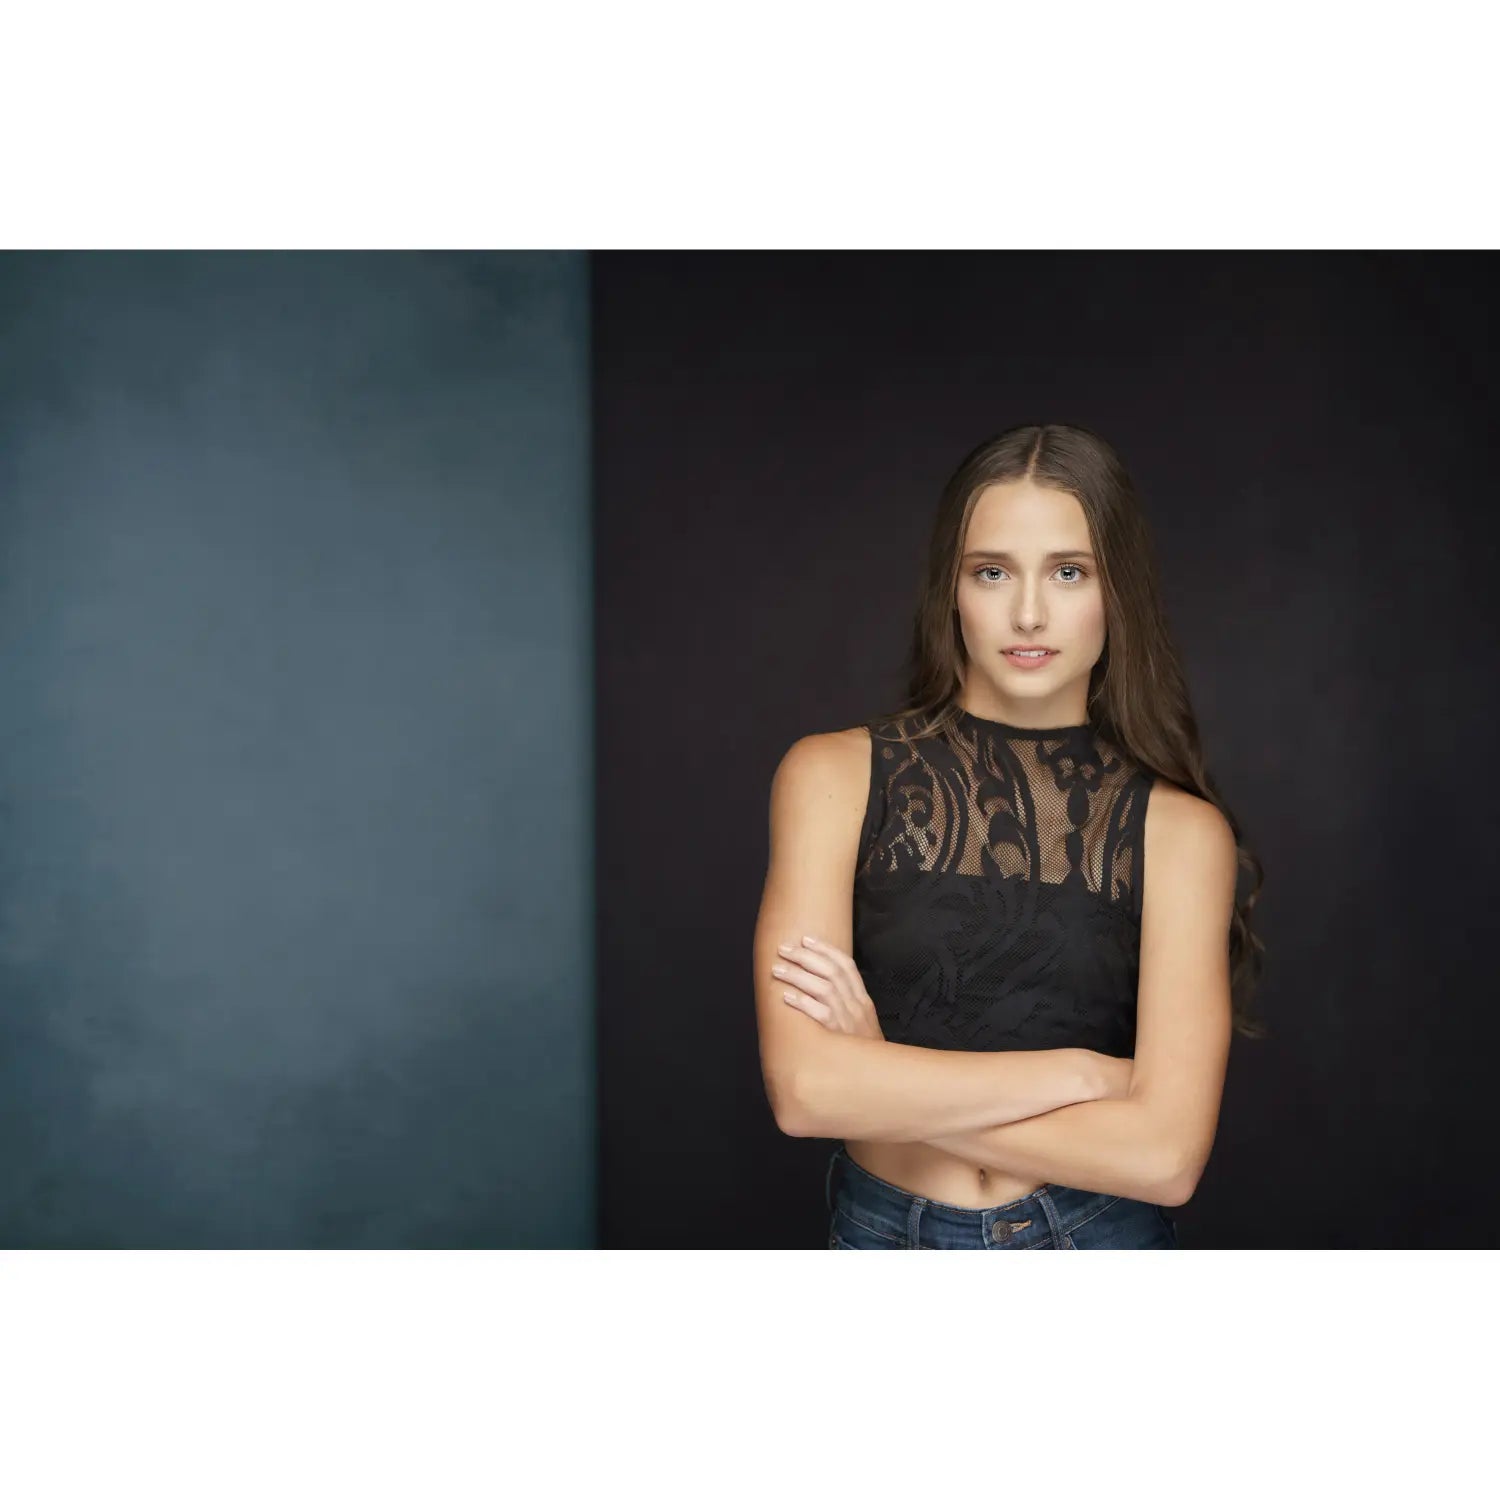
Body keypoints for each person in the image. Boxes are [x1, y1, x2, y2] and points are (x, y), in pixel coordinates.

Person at [753, 422, 1266, 1249]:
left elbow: (1165, 1158)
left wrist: (882, 1070)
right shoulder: (831, 777)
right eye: (992, 572)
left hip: (1093, 1238)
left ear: (1118, 591)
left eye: (1069, 572)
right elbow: (807, 1090)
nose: (1029, 613)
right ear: (950, 590)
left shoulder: (1179, 833)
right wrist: (1081, 1078)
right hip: (883, 1238)